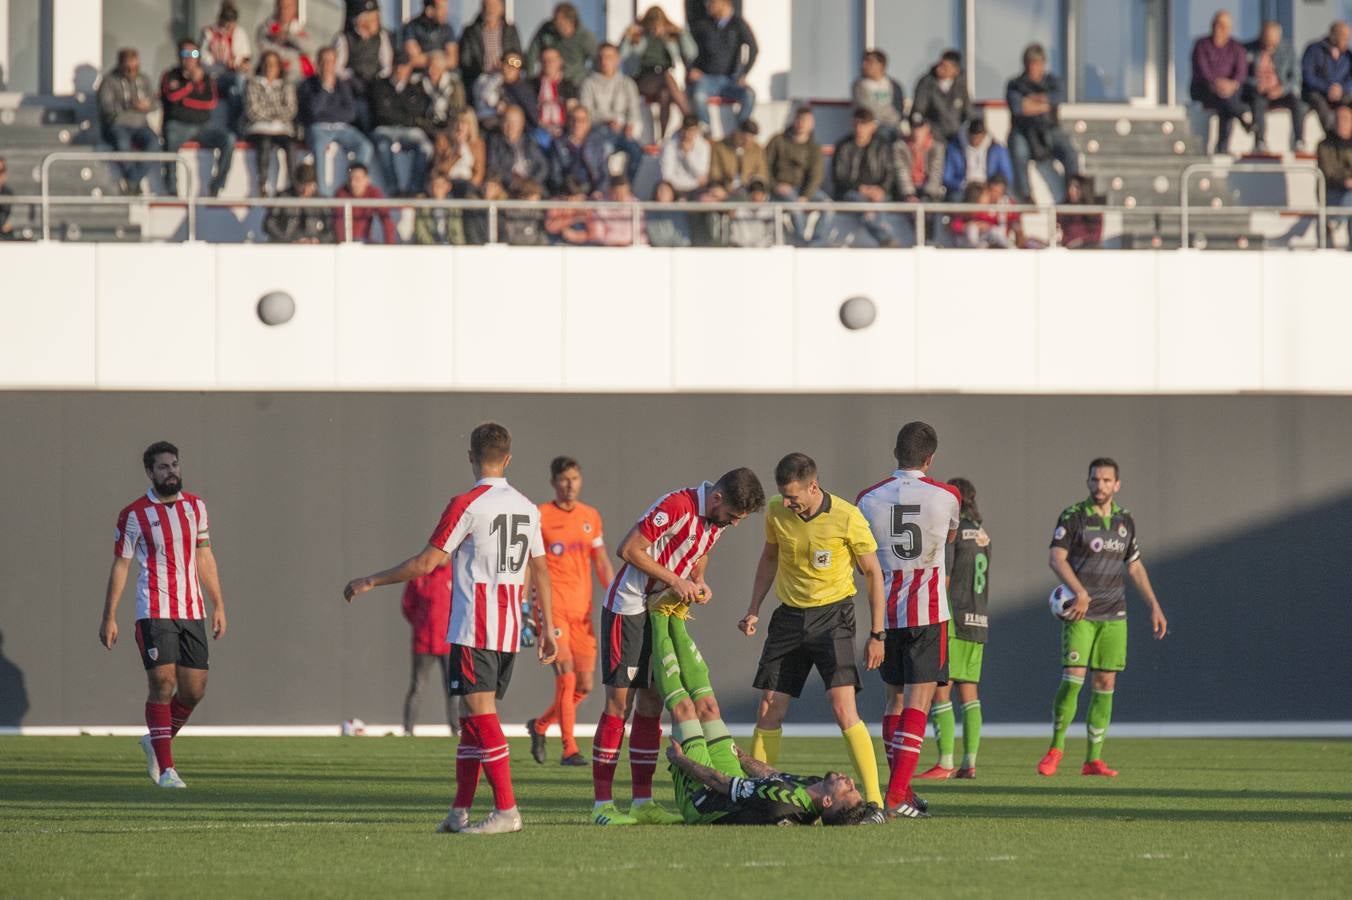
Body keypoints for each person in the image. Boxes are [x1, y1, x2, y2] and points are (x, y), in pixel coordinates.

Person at [343, 422, 558, 836]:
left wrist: (371, 580)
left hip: (475, 628)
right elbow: (542, 571)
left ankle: (507, 810)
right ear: (508, 458)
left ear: (471, 458)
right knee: (469, 720)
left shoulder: (467, 503)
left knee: (480, 716)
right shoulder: (529, 507)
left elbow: (427, 563)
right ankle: (459, 811)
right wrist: (548, 627)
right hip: (510, 628)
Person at [589, 468, 766, 826]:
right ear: (717, 498)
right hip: (630, 607)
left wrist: (699, 580)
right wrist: (675, 579)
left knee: (652, 703)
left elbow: (701, 552)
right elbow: (628, 548)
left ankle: (642, 802)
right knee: (619, 704)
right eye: (732, 516)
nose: (732, 524)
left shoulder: (716, 521)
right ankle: (602, 805)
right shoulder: (677, 506)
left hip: (662, 608)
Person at [737, 453, 887, 808]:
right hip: (789, 618)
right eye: (784, 497)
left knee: (842, 707)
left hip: (833, 618)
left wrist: (877, 634)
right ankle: (759, 797)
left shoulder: (848, 517)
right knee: (768, 708)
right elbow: (769, 557)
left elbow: (873, 574)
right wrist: (754, 608)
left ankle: (876, 801)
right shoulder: (776, 511)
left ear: (813, 487)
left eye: (793, 497)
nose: (788, 503)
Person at [654, 595, 882, 826]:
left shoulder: (782, 802)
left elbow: (721, 782)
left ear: (826, 802)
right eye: (855, 787)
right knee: (709, 708)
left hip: (705, 800)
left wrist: (681, 760)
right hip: (729, 788)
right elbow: (773, 776)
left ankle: (657, 616)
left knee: (685, 710)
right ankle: (677, 617)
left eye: (847, 791)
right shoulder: (813, 788)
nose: (851, 781)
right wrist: (741, 756)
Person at [99, 441, 227, 790]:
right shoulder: (134, 514)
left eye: (174, 465)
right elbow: (121, 566)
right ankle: (168, 770)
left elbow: (204, 556)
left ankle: (156, 739)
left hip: (192, 611)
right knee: (162, 684)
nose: (171, 471)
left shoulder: (196, 507)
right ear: (150, 472)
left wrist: (218, 604)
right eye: (163, 467)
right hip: (154, 610)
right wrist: (109, 615)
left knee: (194, 691)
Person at [1037, 458, 1168, 779]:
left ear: (1117, 485)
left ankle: (1093, 759)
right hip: (1082, 613)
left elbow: (1134, 566)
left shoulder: (1125, 521)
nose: (1100, 485)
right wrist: (1079, 592)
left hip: (1115, 614)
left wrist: (1154, 604)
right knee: (1073, 681)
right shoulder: (1074, 516)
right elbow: (1056, 558)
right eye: (1095, 480)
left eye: (1107, 480)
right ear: (1088, 482)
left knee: (1106, 682)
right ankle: (1055, 748)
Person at [855, 421, 961, 819]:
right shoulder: (947, 495)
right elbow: (948, 538)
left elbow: (863, 552)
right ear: (930, 458)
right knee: (921, 700)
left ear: (895, 453)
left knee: (893, 699)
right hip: (928, 611)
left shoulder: (867, 498)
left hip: (887, 611)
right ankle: (897, 793)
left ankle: (903, 787)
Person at [526, 457, 614, 767]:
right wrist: (525, 605)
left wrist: (616, 592)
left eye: (575, 478)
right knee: (566, 678)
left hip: (582, 612)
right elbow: (530, 564)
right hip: (553, 610)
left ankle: (539, 725)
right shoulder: (539, 515)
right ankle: (569, 749)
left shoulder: (590, 516)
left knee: (585, 685)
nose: (570, 485)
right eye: (564, 479)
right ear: (553, 482)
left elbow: (601, 560)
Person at [918, 478, 989, 780]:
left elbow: (944, 579)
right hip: (978, 620)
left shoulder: (954, 531)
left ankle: (945, 763)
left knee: (940, 691)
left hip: (954, 621)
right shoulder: (982, 533)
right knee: (969, 693)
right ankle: (969, 763)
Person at [160, 39, 235, 197]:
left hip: (203, 126)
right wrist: (191, 85)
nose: (189, 58)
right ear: (179, 56)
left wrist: (185, 99)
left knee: (229, 139)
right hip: (178, 125)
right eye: (185, 54)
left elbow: (209, 102)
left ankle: (217, 185)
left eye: (193, 53)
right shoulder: (170, 75)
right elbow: (172, 97)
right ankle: (172, 188)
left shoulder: (206, 78)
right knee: (170, 140)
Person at [298, 46, 375, 197]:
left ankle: (354, 183)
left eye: (331, 61)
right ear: (318, 64)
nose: (328, 65)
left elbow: (350, 114)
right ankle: (323, 192)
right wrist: (325, 88)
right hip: (319, 128)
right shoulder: (308, 85)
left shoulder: (343, 85)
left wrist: (327, 113)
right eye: (324, 61)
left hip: (342, 128)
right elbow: (313, 111)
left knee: (365, 146)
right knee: (319, 146)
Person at [1006, 42, 1078, 201]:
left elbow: (1058, 97)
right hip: (1024, 131)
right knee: (1018, 152)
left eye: (1038, 64)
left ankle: (1074, 192)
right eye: (1031, 64)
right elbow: (1019, 108)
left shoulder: (1053, 81)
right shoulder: (1015, 84)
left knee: (1070, 153)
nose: (1034, 68)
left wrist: (1032, 100)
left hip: (1049, 129)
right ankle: (1025, 196)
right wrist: (1045, 104)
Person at [401, 561, 461, 736]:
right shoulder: (419, 575)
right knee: (417, 685)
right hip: (424, 642)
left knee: (453, 688)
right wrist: (421, 626)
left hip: (449, 642)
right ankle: (408, 729)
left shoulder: (454, 573)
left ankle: (455, 728)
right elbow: (407, 606)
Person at [622, 6, 695, 140]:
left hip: (663, 78)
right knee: (666, 76)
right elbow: (622, 55)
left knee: (664, 94)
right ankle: (689, 115)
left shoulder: (669, 39)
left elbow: (692, 53)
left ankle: (662, 137)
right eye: (653, 25)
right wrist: (628, 36)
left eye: (659, 25)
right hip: (644, 77)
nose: (656, 29)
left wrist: (682, 33)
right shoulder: (639, 36)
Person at [832, 107, 902, 247]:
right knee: (860, 203)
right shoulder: (844, 146)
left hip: (878, 192)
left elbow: (890, 173)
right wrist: (861, 189)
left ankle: (883, 236)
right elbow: (839, 177)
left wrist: (881, 189)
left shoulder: (882, 146)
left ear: (872, 126)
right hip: (851, 192)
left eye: (863, 124)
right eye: (856, 124)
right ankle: (885, 238)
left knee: (876, 203)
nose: (859, 128)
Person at [97, 48, 161, 196]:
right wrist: (130, 105)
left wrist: (147, 105)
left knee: (155, 143)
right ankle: (134, 180)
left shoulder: (143, 80)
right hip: (118, 124)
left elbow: (155, 102)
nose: (132, 72)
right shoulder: (109, 81)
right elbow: (106, 107)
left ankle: (132, 180)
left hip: (141, 125)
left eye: (135, 68)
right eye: (128, 68)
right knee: (122, 143)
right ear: (119, 65)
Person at [580, 42, 645, 182]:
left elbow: (634, 110)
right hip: (598, 129)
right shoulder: (588, 83)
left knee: (636, 152)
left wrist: (629, 125)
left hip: (622, 130)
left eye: (609, 57)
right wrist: (607, 120)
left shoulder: (628, 83)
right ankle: (602, 188)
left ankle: (625, 188)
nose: (605, 61)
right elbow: (586, 112)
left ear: (617, 59)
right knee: (602, 149)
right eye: (601, 57)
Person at [370, 58, 434, 198]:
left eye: (404, 66)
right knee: (382, 146)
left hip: (409, 131)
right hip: (384, 129)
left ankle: (414, 189)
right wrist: (404, 114)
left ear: (409, 69)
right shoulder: (380, 86)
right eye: (397, 66)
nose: (400, 70)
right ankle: (393, 188)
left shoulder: (415, 88)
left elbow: (417, 112)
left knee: (426, 147)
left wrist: (397, 112)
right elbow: (382, 113)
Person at [689, 0, 758, 127]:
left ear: (724, 3)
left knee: (749, 95)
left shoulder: (738, 24)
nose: (708, 6)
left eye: (712, 2)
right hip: (708, 78)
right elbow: (692, 49)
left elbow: (753, 49)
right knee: (698, 96)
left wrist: (744, 73)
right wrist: (692, 69)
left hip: (731, 79)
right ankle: (707, 130)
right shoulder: (704, 25)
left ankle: (740, 129)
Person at [766, 106, 828, 243]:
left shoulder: (814, 147)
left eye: (806, 120)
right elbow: (765, 168)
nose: (801, 124)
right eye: (799, 120)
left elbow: (816, 175)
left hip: (805, 190)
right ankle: (802, 240)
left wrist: (806, 195)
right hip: (781, 189)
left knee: (828, 206)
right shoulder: (777, 141)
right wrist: (775, 185)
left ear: (812, 124)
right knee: (794, 205)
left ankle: (816, 243)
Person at [1190, 11, 1249, 155]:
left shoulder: (1237, 47)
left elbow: (1241, 72)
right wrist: (1217, 83)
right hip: (1205, 88)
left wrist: (1231, 84)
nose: (1219, 29)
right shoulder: (1201, 45)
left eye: (1223, 26)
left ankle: (1222, 147)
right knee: (1227, 102)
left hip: (1229, 92)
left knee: (1226, 103)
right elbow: (1203, 70)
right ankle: (1241, 115)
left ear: (1229, 29)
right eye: (1216, 24)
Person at [242, 50, 298, 197]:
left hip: (282, 129)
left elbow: (291, 110)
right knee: (265, 143)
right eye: (266, 64)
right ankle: (263, 183)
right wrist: (276, 114)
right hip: (259, 129)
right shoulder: (253, 83)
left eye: (273, 65)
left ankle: (294, 184)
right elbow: (252, 110)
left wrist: (267, 111)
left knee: (291, 145)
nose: (269, 68)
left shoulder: (286, 85)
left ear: (279, 67)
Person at [1245, 20, 1305, 152]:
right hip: (1259, 92)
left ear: (1278, 38)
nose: (1269, 44)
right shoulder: (1248, 49)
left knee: (1298, 104)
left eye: (1272, 40)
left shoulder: (1288, 50)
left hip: (1281, 91)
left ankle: (1299, 141)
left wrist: (1281, 89)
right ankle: (1260, 141)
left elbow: (1296, 77)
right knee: (1257, 103)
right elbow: (1242, 76)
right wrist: (1257, 84)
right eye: (1266, 39)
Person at [199, 1, 252, 130]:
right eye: (226, 22)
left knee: (237, 86)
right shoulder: (209, 33)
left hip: (232, 76)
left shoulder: (239, 32)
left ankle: (236, 125)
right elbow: (202, 58)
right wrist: (220, 62)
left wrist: (236, 62)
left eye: (231, 22)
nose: (228, 26)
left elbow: (245, 58)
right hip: (214, 76)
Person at [526, 2, 598, 92]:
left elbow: (597, 60)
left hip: (575, 84)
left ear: (571, 21)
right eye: (555, 20)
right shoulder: (547, 30)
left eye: (560, 22)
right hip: (548, 83)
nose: (556, 24)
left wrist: (591, 82)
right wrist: (530, 79)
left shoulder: (585, 37)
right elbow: (532, 55)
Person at [460, 0, 523, 97]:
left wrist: (506, 64)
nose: (489, 9)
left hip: (507, 80)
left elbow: (518, 58)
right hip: (481, 80)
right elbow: (465, 61)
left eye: (493, 6)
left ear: (501, 9)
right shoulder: (470, 32)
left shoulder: (510, 30)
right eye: (486, 6)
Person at [333, 0, 395, 97]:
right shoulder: (343, 39)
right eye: (374, 18)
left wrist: (377, 79)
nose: (377, 22)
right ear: (362, 20)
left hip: (374, 88)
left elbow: (387, 66)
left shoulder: (382, 37)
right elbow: (337, 68)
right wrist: (352, 77)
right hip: (351, 89)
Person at [942, 117, 1013, 200]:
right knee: (955, 198)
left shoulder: (997, 149)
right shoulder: (955, 148)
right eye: (973, 138)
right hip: (963, 189)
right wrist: (962, 185)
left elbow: (1006, 175)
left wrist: (995, 184)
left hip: (988, 188)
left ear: (984, 135)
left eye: (978, 138)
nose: (975, 141)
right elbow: (947, 176)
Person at [1301, 21, 1352, 137]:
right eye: (1344, 38)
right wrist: (1327, 88)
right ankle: (1331, 137)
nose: (1347, 41)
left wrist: (1341, 89)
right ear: (1333, 36)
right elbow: (1308, 76)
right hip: (1317, 92)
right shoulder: (1314, 50)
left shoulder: (1348, 55)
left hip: (1340, 93)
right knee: (1321, 106)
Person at [263, 161, 333, 242]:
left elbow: (331, 228)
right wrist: (287, 240)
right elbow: (268, 224)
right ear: (296, 183)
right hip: (287, 248)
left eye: (309, 186)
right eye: (302, 186)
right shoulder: (283, 197)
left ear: (314, 185)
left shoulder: (320, 201)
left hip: (313, 249)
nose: (305, 191)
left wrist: (317, 240)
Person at [549, 105, 609, 196]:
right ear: (568, 121)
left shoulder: (597, 143)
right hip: (568, 190)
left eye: (582, 120)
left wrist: (598, 190)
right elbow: (555, 174)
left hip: (592, 189)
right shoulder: (558, 143)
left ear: (588, 123)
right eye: (574, 119)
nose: (577, 124)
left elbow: (604, 172)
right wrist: (568, 191)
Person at [912, 49, 969, 143]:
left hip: (956, 134)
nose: (940, 69)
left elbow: (968, 112)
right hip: (934, 134)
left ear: (956, 71)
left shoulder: (961, 85)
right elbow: (918, 110)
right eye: (940, 64)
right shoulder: (926, 83)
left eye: (945, 67)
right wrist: (919, 126)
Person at [255, 0, 320, 83]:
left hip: (297, 77)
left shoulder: (300, 28)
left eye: (287, 7)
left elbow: (311, 49)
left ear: (295, 8)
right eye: (281, 6)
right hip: (273, 76)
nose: (283, 10)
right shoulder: (266, 28)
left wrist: (288, 37)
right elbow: (266, 49)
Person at [486, 104, 549, 187]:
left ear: (521, 124)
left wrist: (532, 182)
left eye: (514, 122)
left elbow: (543, 166)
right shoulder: (495, 142)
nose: (510, 127)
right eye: (507, 122)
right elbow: (494, 167)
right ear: (501, 123)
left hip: (530, 186)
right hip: (507, 186)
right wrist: (513, 181)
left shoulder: (530, 142)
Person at [333, 163, 395, 244]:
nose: (353, 183)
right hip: (345, 243)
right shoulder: (341, 193)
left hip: (365, 242)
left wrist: (390, 246)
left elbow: (386, 220)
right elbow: (338, 223)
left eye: (357, 179)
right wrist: (343, 245)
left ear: (367, 180)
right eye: (350, 179)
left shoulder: (373, 193)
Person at [705, 119, 767, 199]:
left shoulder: (757, 150)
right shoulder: (720, 147)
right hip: (725, 188)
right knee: (711, 197)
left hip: (748, 189)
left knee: (758, 196)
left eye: (751, 139)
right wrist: (720, 187)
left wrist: (757, 188)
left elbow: (761, 172)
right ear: (737, 133)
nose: (747, 142)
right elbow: (715, 172)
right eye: (744, 138)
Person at [852, 49, 904, 139]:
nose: (864, 65)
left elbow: (898, 108)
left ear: (881, 65)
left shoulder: (894, 86)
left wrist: (893, 121)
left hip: (893, 126)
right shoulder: (859, 86)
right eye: (864, 61)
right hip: (872, 129)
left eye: (869, 62)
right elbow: (866, 110)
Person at [1319, 105, 1352, 243]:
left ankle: (1337, 224)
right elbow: (1329, 172)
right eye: (1338, 119)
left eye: (1345, 119)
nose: (1341, 122)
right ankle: (1336, 222)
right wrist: (1345, 180)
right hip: (1332, 191)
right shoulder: (1325, 145)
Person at [894, 111, 944, 202]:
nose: (916, 132)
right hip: (908, 190)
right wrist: (909, 195)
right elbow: (901, 171)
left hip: (929, 192)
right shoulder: (900, 147)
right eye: (914, 128)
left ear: (927, 128)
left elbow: (936, 172)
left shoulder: (936, 147)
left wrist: (927, 195)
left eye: (920, 128)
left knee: (934, 212)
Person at [534, 46, 577, 145]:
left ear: (560, 61)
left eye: (552, 60)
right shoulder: (533, 84)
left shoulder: (568, 85)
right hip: (540, 130)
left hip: (563, 131)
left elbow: (572, 111)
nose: (548, 63)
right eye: (544, 60)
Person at [416, 49, 467, 133]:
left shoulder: (455, 84)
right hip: (426, 127)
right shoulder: (419, 84)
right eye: (428, 66)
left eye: (435, 67)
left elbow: (459, 107)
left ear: (443, 68)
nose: (430, 71)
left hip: (449, 126)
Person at [661, 114, 711, 198]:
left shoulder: (704, 146)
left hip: (696, 189)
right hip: (675, 188)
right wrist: (692, 183)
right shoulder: (670, 145)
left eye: (692, 131)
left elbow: (701, 173)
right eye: (686, 130)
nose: (688, 134)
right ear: (682, 129)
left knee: (706, 197)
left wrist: (688, 155)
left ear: (697, 130)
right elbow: (666, 176)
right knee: (663, 192)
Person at [402, 0, 457, 71]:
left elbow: (452, 61)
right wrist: (437, 58)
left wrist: (427, 58)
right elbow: (414, 60)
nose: (445, 12)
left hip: (443, 75)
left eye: (445, 8)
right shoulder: (412, 27)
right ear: (429, 11)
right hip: (420, 75)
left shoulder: (448, 28)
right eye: (441, 8)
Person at [413, 171, 465, 244]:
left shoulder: (454, 208)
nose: (438, 188)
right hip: (430, 249)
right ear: (429, 187)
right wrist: (433, 247)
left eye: (441, 185)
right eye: (435, 185)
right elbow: (421, 232)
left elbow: (458, 231)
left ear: (448, 187)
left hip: (451, 247)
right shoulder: (423, 208)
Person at [1056, 174, 1102, 249]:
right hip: (1067, 250)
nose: (1071, 190)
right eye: (1070, 187)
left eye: (1076, 187)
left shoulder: (1094, 211)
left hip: (1087, 249)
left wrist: (1081, 241)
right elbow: (1057, 231)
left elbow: (1096, 236)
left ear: (1083, 189)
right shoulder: (1063, 209)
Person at [644, 180, 691, 246]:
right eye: (661, 190)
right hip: (659, 251)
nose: (663, 193)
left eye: (666, 190)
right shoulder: (651, 213)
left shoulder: (680, 212)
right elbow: (654, 237)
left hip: (679, 251)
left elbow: (684, 239)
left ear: (672, 193)